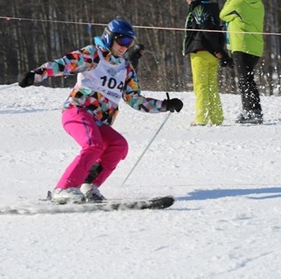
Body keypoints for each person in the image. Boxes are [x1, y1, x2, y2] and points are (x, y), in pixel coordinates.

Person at [17, 19, 183, 204]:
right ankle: (63, 189)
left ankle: (88, 185)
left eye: (129, 43)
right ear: (109, 37)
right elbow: (64, 64)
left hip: (99, 121)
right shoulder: (94, 55)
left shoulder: (126, 69)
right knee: (93, 145)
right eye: (122, 41)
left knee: (118, 145)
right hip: (77, 111)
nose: (125, 47)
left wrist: (165, 105)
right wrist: (35, 75)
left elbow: (135, 100)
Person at [183, 0, 233, 126]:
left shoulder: (199, 9)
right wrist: (219, 52)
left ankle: (201, 119)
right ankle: (216, 117)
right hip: (211, 54)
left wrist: (218, 51)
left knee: (201, 87)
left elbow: (207, 31)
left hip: (201, 53)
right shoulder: (211, 8)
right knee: (211, 86)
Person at [220, 0, 265, 125]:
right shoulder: (258, 0)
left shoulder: (238, 2)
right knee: (248, 79)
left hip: (241, 46)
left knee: (245, 80)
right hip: (256, 47)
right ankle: (250, 110)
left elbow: (223, 15)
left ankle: (253, 111)